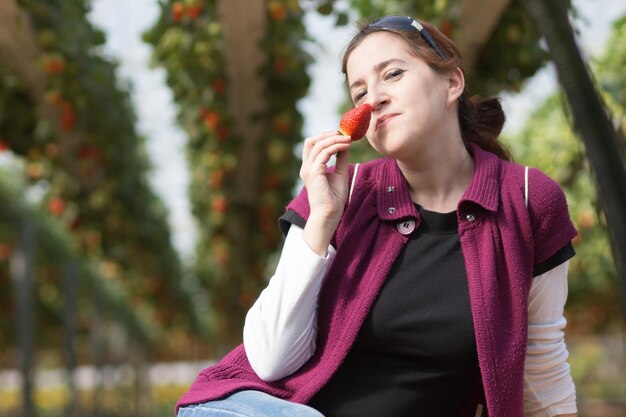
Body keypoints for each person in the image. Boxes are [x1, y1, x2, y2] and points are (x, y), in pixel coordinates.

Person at [176, 15, 579, 417]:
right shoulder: (340, 194)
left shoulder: (526, 200)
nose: (374, 100)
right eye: (359, 92)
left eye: (394, 74)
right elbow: (270, 361)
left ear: (452, 83)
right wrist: (321, 220)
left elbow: (542, 367)